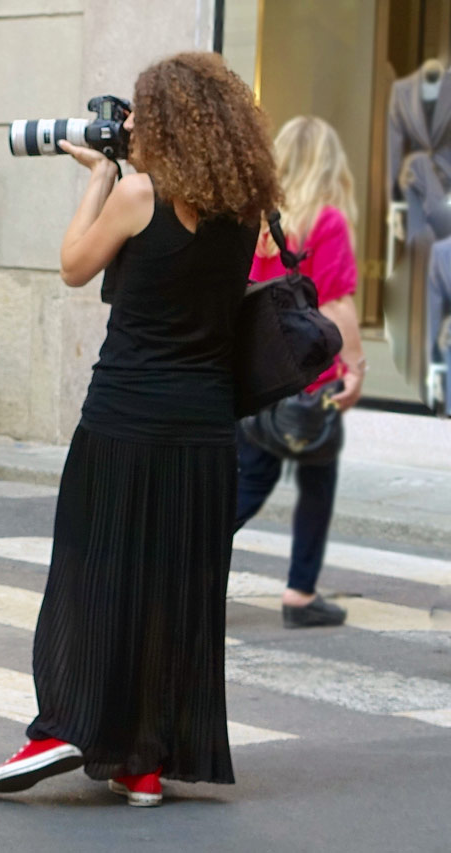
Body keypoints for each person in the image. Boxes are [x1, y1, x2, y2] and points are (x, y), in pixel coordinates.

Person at [0, 52, 279, 805]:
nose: (130, 122)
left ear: (172, 121)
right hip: (206, 430)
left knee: (88, 572)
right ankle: (142, 760)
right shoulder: (246, 208)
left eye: (143, 111)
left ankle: (63, 725)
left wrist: (97, 180)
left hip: (125, 417)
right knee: (176, 592)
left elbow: (74, 266)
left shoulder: (139, 192)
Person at [235, 116, 366, 630]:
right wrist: (355, 368)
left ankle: (186, 582)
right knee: (317, 482)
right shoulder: (326, 222)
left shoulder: (254, 218)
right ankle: (300, 594)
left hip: (258, 377)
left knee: (243, 488)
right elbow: (337, 303)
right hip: (313, 380)